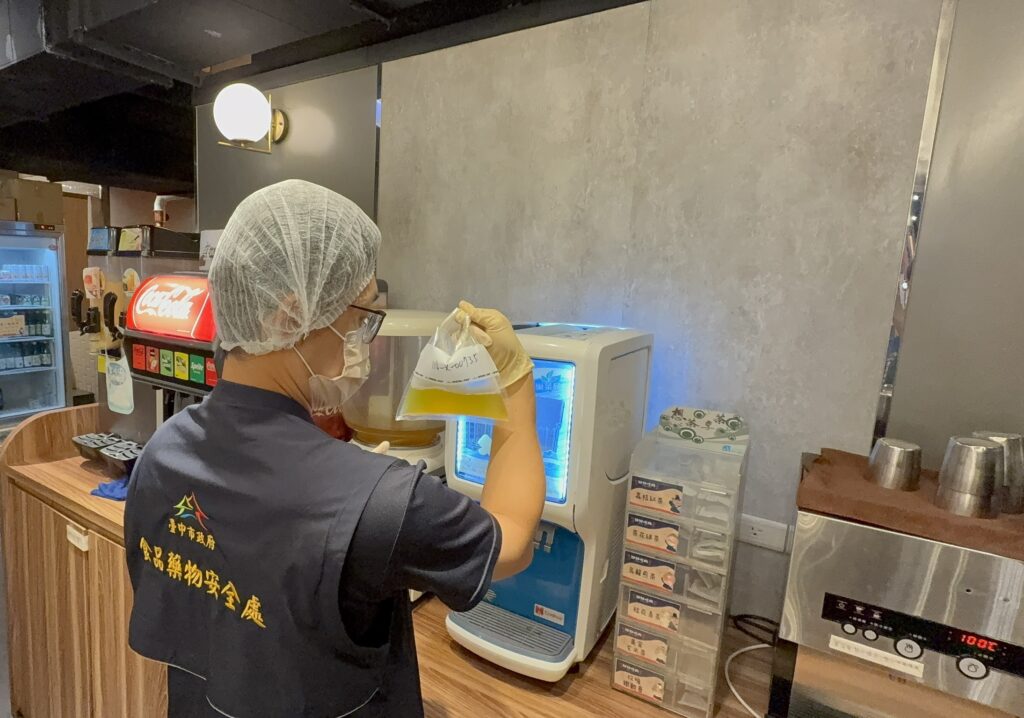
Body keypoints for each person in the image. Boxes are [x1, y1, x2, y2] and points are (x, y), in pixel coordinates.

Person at [124, 179, 546, 717]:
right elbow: (513, 540)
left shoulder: (160, 454)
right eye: (361, 317)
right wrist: (514, 383)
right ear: (288, 316)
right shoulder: (381, 500)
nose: (364, 340)